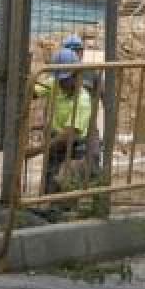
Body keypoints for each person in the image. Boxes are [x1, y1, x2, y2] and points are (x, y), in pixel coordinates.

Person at [32, 48, 94, 194]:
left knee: (65, 185)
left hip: (73, 148)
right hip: (55, 144)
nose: (60, 85)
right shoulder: (56, 83)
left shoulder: (82, 101)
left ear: (76, 75)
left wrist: (36, 150)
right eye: (59, 80)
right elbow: (33, 92)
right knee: (49, 186)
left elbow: (68, 135)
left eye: (64, 81)